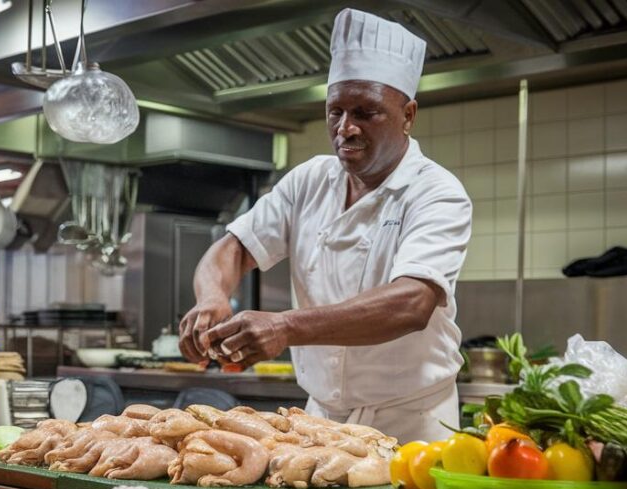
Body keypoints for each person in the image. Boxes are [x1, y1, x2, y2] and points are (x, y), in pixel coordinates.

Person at [178, 8, 471, 443]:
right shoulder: (309, 180)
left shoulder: (437, 192)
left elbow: (412, 303)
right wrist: (212, 298)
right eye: (335, 111)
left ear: (408, 115)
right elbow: (233, 248)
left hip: (412, 424)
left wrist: (285, 327)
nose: (345, 128)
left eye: (365, 112)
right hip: (320, 420)